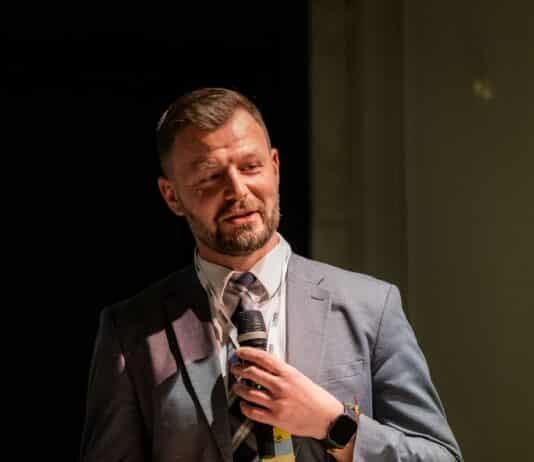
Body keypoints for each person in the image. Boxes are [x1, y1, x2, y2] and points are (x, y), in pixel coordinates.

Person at [80, 87, 463, 462]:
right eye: (210, 176)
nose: (238, 190)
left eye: (251, 167)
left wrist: (332, 423)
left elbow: (440, 457)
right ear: (172, 195)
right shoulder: (131, 331)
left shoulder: (371, 307)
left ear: (275, 167)